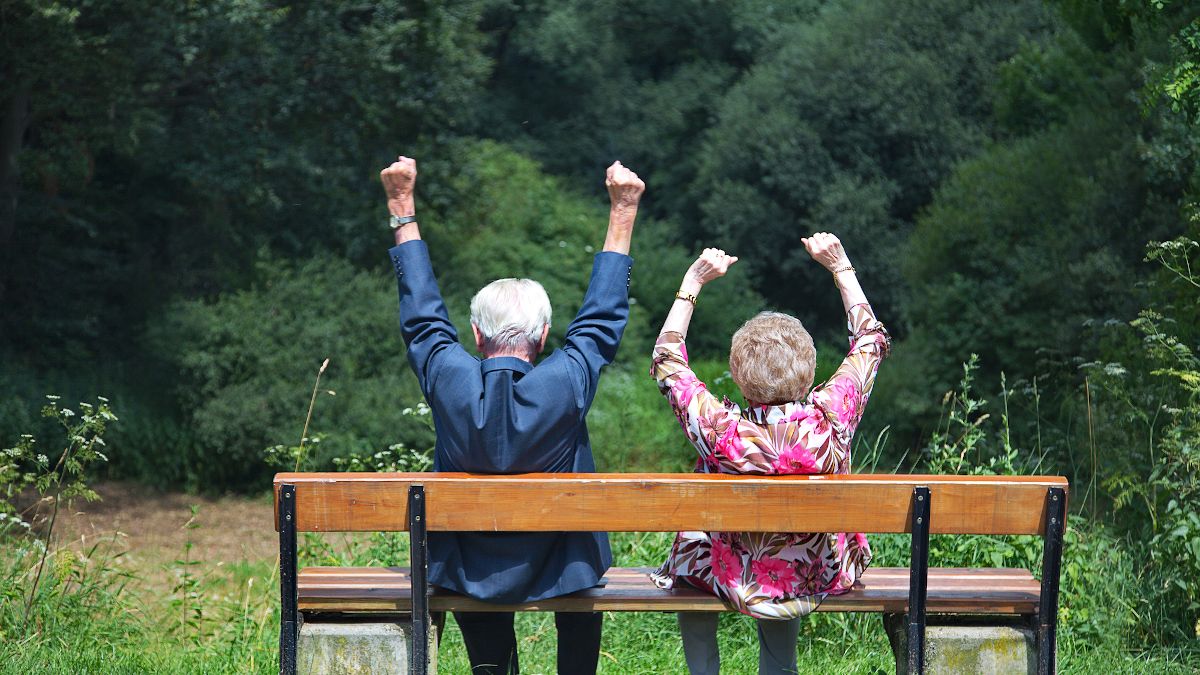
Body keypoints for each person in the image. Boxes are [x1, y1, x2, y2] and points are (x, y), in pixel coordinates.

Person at [381, 155, 645, 674]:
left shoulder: (449, 378)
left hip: (471, 570)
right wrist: (623, 210)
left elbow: (423, 319)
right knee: (582, 559)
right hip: (565, 565)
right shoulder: (565, 381)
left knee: (472, 593)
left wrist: (401, 206)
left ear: (476, 337)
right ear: (544, 337)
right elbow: (600, 320)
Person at [648, 234, 890, 675]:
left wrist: (692, 283)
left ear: (738, 377)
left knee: (691, 551)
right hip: (811, 573)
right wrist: (841, 268)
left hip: (726, 573)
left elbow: (667, 359)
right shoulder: (831, 419)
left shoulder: (720, 429)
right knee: (784, 557)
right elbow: (870, 341)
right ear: (812, 370)